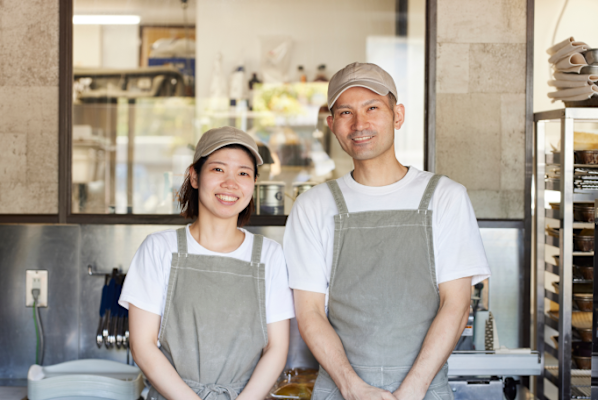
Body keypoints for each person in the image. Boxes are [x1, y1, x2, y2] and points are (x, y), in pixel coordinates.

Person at [284, 62, 491, 400]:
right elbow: (309, 312)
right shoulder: (313, 206)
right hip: (340, 390)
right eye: (346, 112)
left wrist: (413, 389)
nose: (359, 124)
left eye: (372, 108)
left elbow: (457, 305)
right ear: (331, 124)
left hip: (423, 390)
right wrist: (352, 387)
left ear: (398, 116)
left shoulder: (445, 197)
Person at [119, 126, 295, 400]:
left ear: (253, 184)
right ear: (194, 176)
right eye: (218, 169)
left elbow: (277, 348)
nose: (231, 183)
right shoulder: (159, 249)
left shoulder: (269, 255)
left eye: (243, 173)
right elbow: (142, 346)